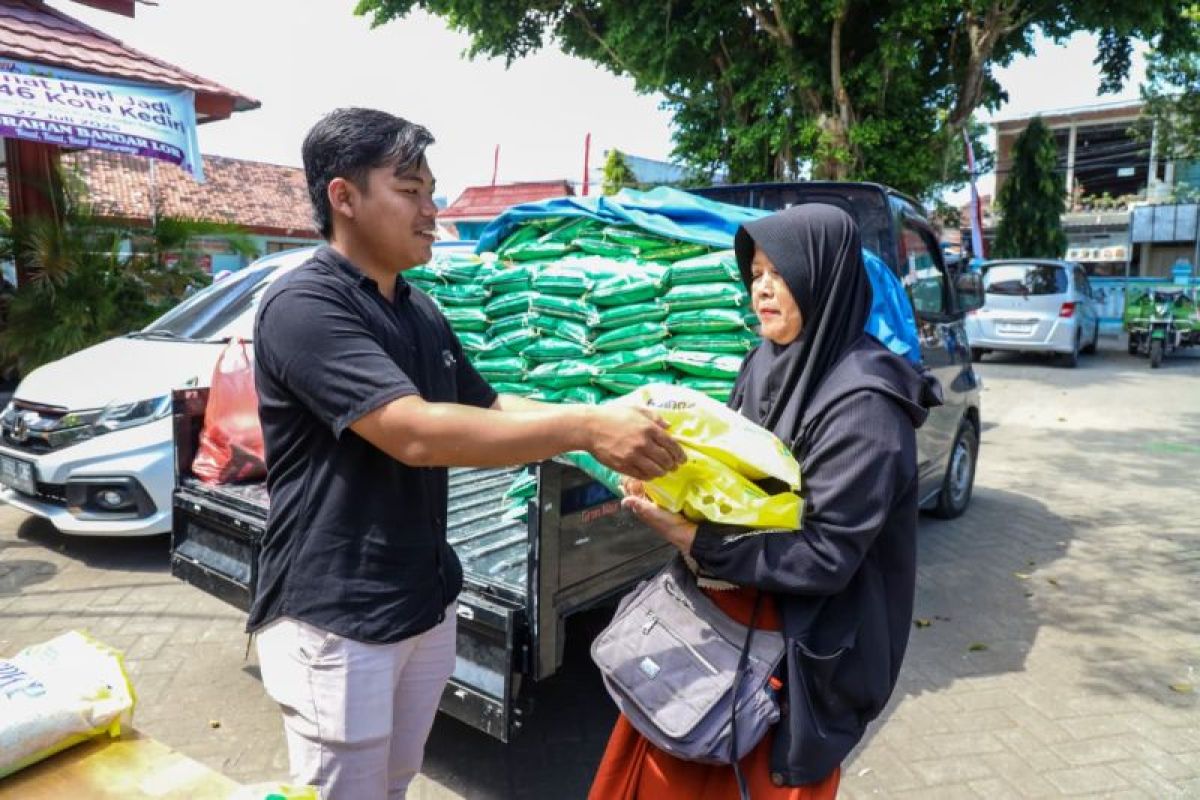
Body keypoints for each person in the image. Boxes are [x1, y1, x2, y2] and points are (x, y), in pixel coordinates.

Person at [248, 107, 685, 800]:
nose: (432, 210)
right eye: (410, 190)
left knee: (392, 783)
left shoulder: (416, 308)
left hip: (422, 601)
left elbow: (487, 406)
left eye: (431, 191)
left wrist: (610, 419)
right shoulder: (305, 305)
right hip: (338, 618)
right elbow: (414, 433)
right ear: (344, 197)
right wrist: (583, 429)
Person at [590, 204, 942, 799]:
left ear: (822, 277)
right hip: (718, 626)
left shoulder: (866, 404)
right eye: (755, 273)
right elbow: (730, 475)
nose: (762, 288)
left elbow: (825, 555)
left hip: (791, 653)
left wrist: (688, 537)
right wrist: (665, 479)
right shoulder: (764, 362)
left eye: (781, 272)